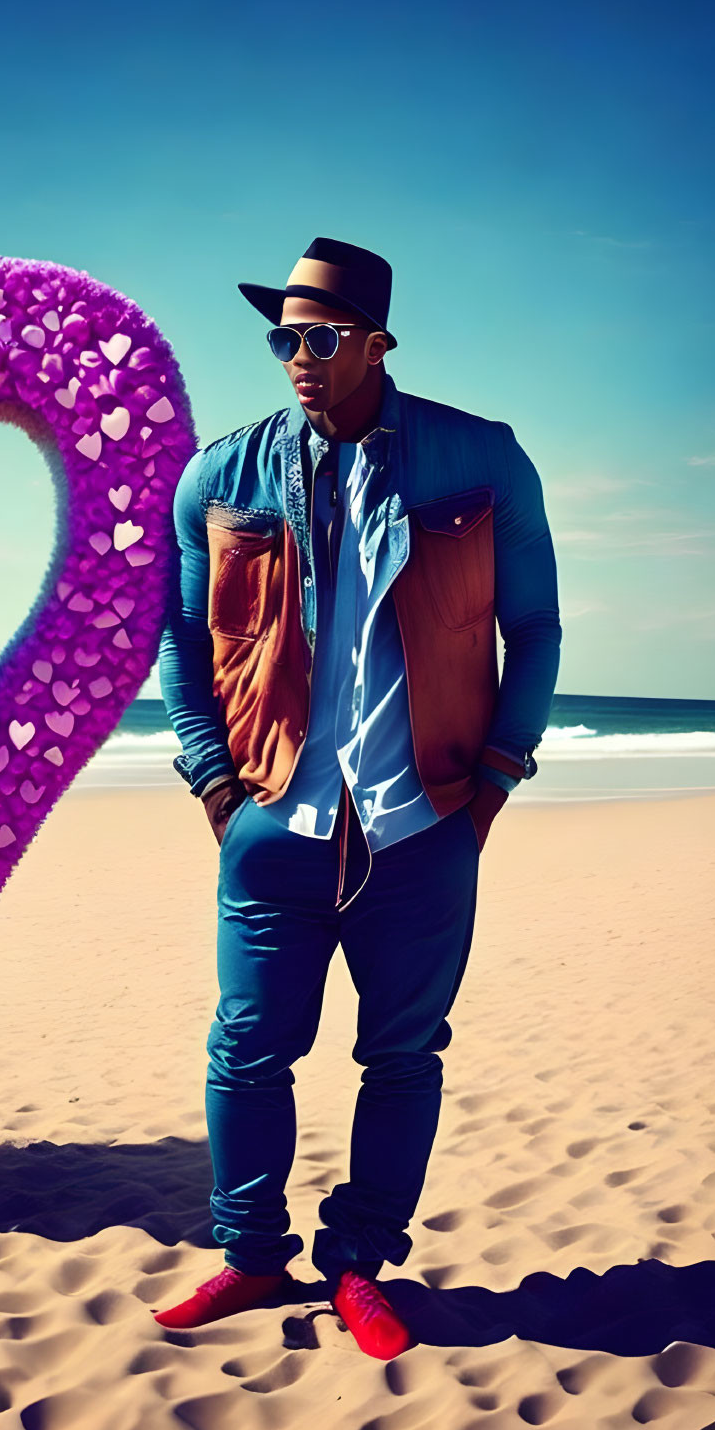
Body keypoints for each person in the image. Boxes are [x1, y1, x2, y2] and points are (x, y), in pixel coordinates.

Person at [151, 237, 561, 1357]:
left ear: (376, 342)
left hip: (421, 823)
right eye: (284, 336)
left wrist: (492, 783)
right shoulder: (221, 477)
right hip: (273, 822)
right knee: (246, 1049)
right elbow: (182, 641)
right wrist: (215, 786)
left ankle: (360, 1268)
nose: (298, 356)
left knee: (403, 1055)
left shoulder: (480, 463)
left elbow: (534, 630)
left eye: (322, 337)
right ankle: (248, 1258)